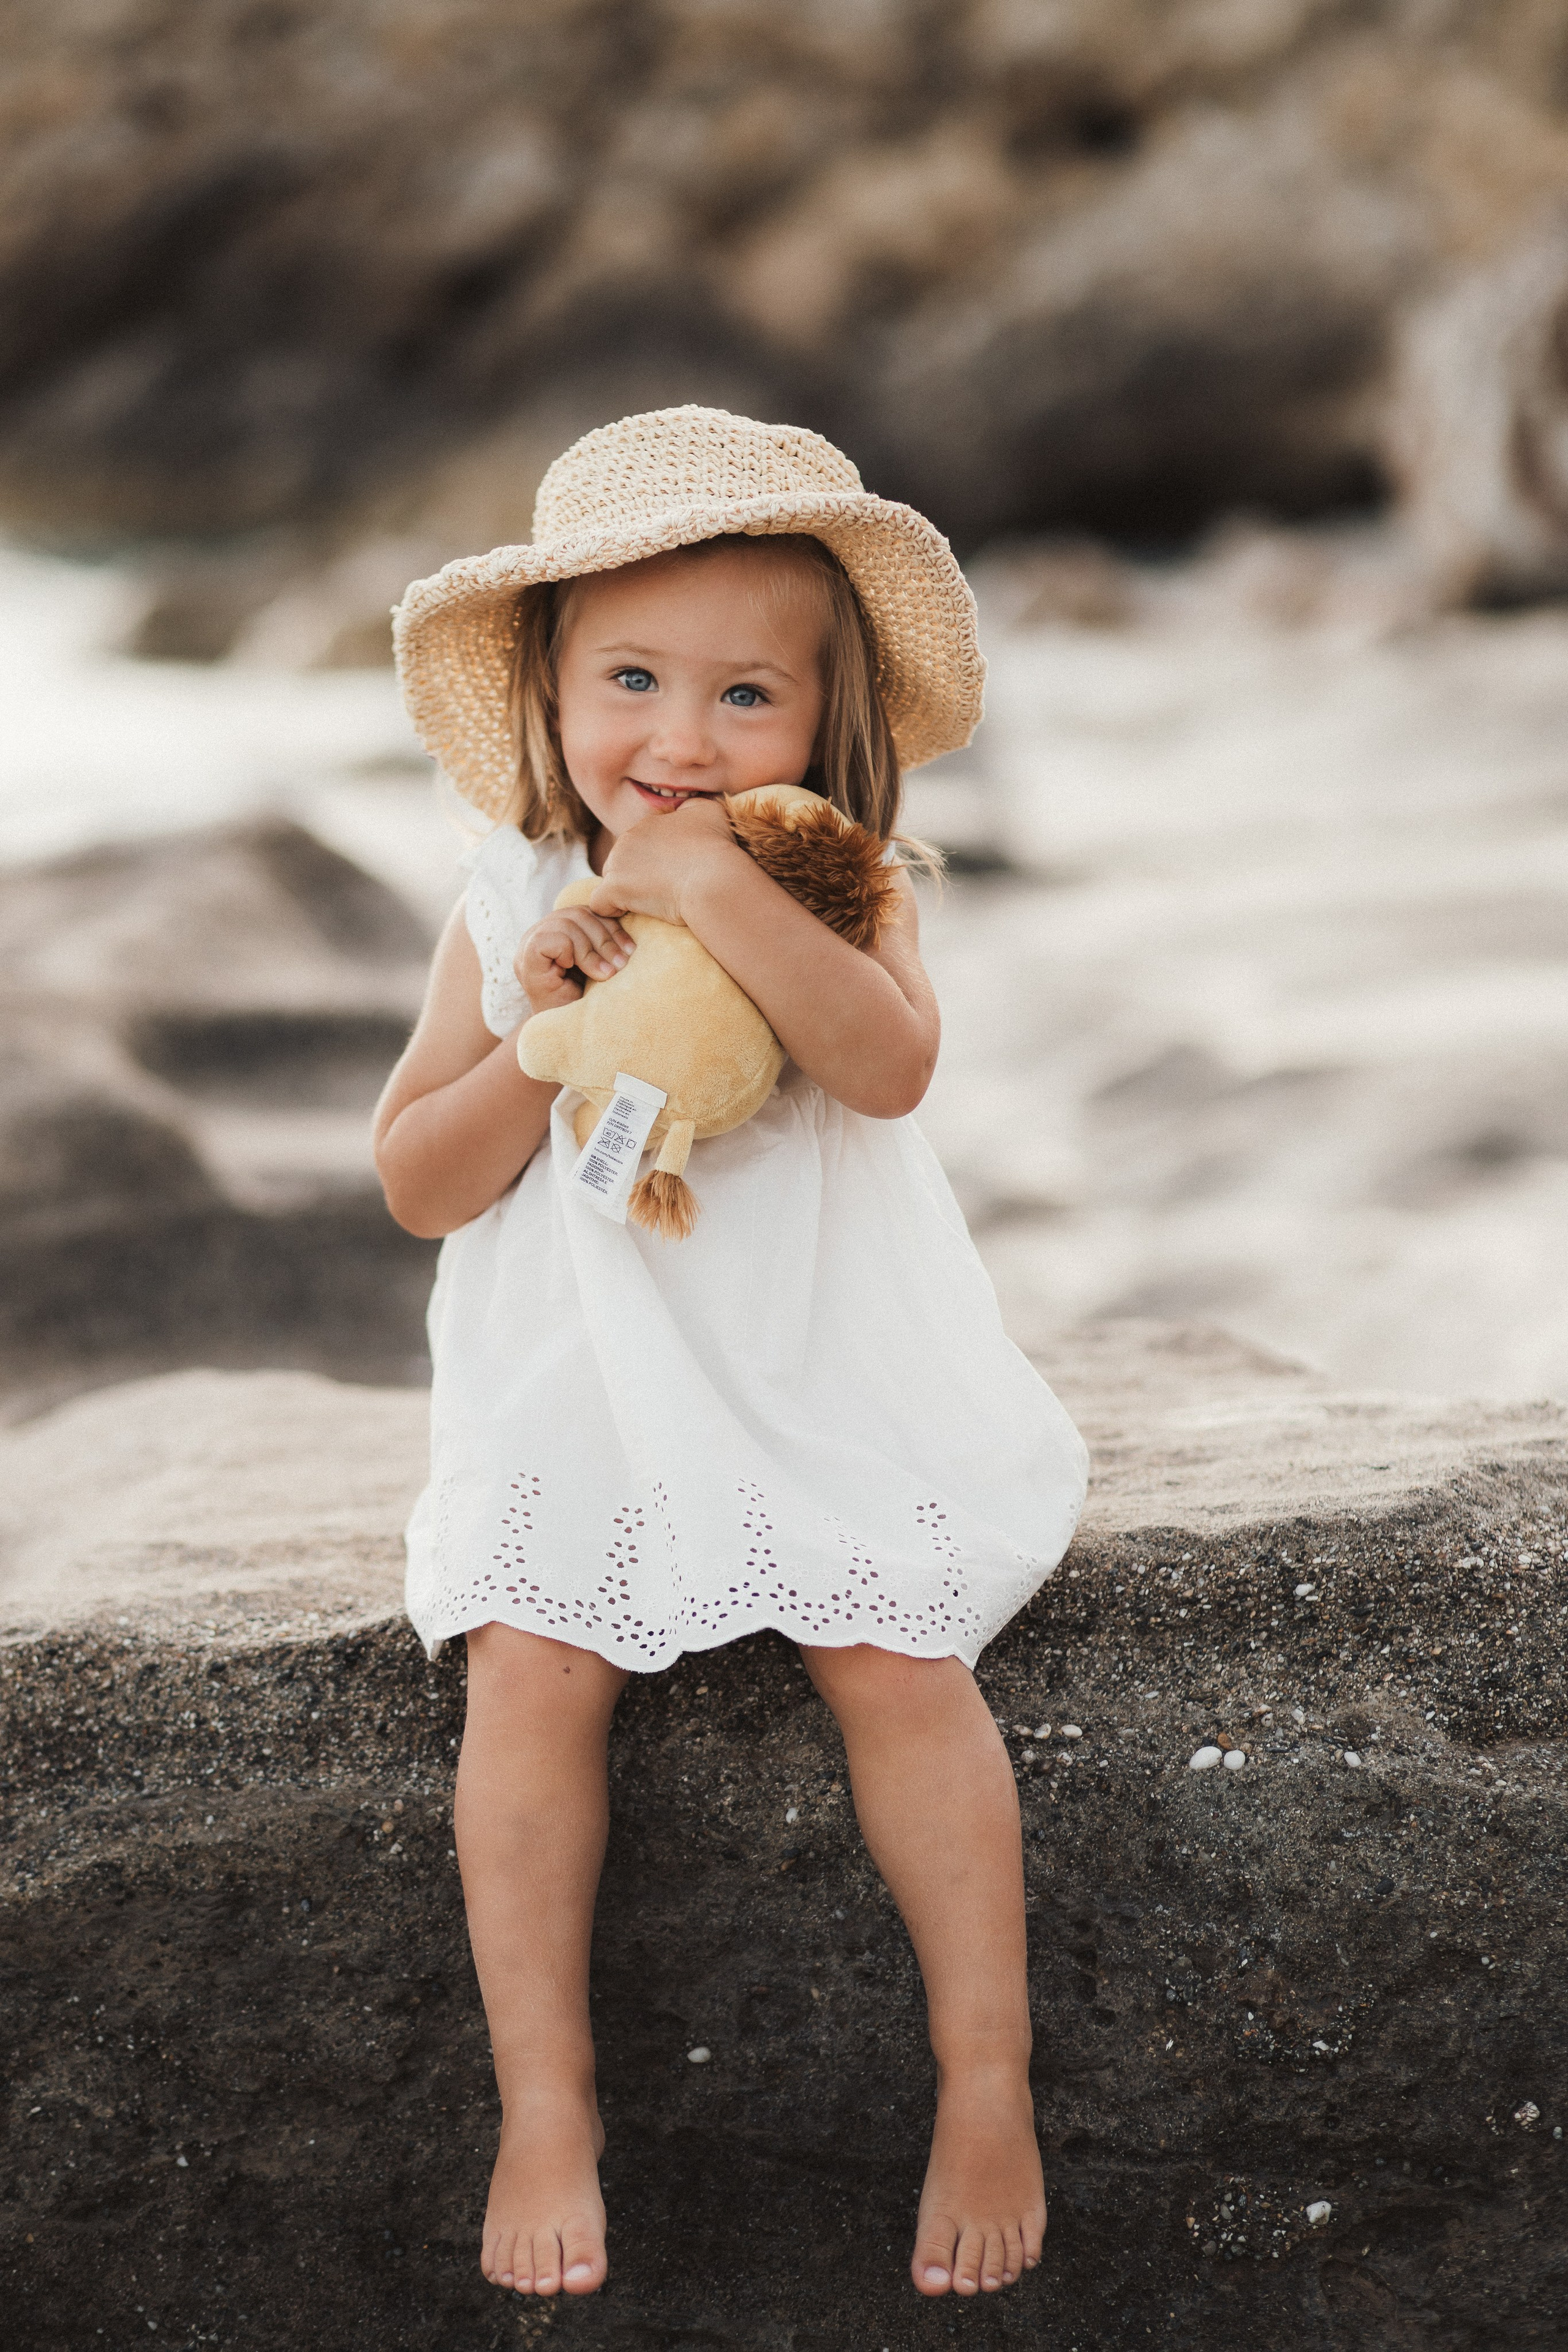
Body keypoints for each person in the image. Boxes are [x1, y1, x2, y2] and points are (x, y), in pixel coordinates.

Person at [374, 407, 1088, 2307]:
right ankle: (547, 2101)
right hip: (582, 1384)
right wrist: (531, 1043)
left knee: (895, 1657)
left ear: (823, 724)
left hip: (812, 1361)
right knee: (530, 1673)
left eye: (744, 695)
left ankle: (987, 2076)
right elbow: (416, 1184)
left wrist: (717, 899)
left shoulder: (844, 880)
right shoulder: (505, 898)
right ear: (545, 683)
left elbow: (891, 1066)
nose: (680, 742)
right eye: (631, 679)